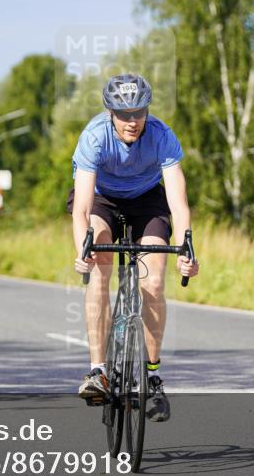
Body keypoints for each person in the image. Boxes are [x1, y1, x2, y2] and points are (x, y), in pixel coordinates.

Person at [70, 73, 199, 422]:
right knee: (99, 264)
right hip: (103, 200)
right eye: (124, 114)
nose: (132, 121)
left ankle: (152, 375)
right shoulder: (94, 136)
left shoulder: (161, 136)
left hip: (147, 200)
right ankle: (98, 371)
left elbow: (178, 205)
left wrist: (186, 251)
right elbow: (82, 208)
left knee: (153, 282)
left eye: (138, 112)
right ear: (110, 113)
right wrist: (82, 250)